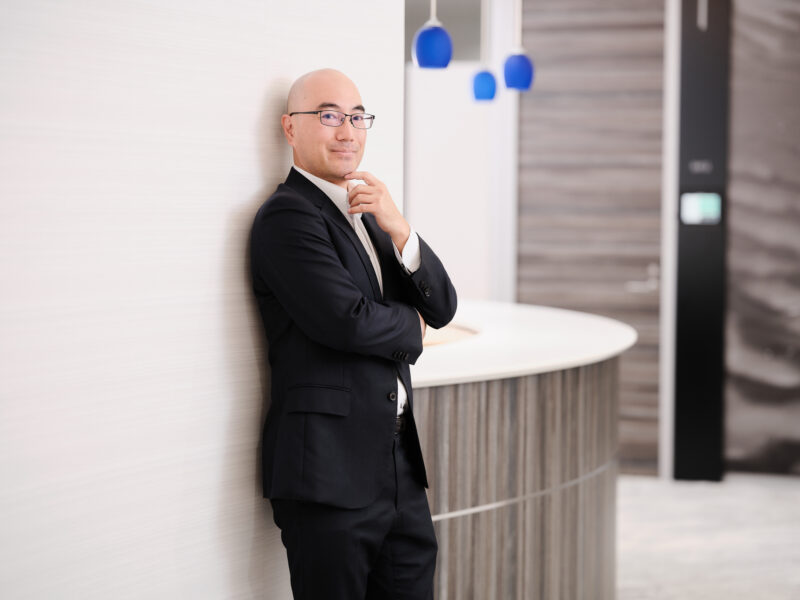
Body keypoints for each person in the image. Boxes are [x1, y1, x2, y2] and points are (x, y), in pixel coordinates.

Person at [250, 68, 457, 599]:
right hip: (327, 471)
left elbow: (442, 307)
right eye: (329, 116)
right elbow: (347, 320)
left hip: (398, 465)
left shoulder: (367, 214)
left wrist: (400, 228)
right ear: (290, 128)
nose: (347, 131)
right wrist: (411, 325)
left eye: (357, 117)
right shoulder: (287, 216)